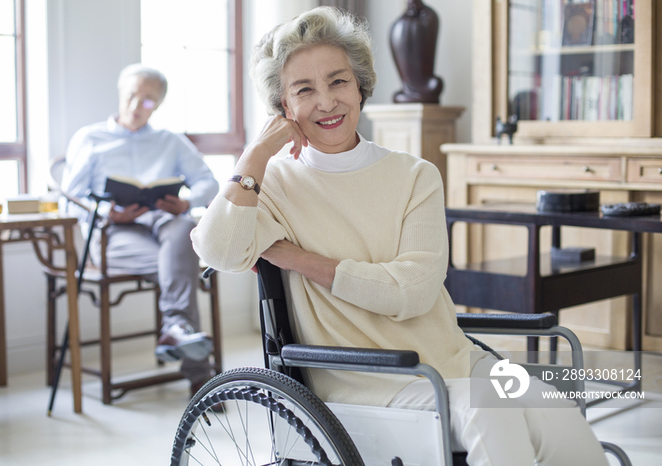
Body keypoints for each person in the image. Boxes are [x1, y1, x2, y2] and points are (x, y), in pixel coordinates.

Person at [191, 7, 610, 466]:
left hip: (456, 363)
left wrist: (297, 257)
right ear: (283, 107)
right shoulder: (272, 185)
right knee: (493, 413)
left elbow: (414, 291)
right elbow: (217, 251)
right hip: (368, 380)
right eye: (304, 90)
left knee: (559, 417)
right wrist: (254, 155)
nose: (327, 102)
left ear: (360, 86)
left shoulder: (414, 175)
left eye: (338, 82)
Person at [62, 63, 219, 392]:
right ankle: (199, 375)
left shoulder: (170, 141)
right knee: (182, 265)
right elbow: (70, 199)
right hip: (113, 234)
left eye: (148, 100)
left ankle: (176, 327)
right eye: (132, 96)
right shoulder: (90, 138)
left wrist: (187, 202)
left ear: (158, 104)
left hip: (163, 224)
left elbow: (209, 183)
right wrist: (106, 210)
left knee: (182, 228)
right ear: (121, 94)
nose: (137, 106)